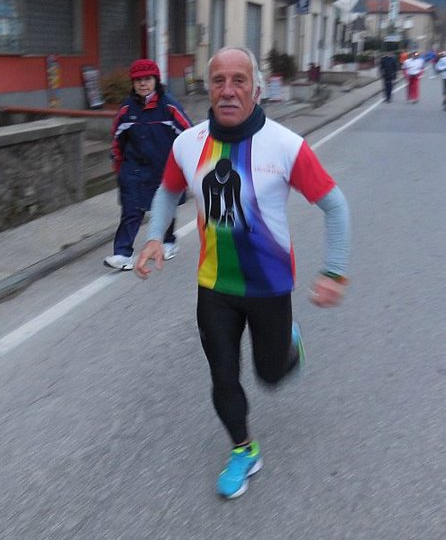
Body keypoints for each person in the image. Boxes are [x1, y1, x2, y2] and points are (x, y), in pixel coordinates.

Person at [134, 47, 351, 499]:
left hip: (269, 287)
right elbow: (168, 191)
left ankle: (289, 344)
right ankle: (243, 450)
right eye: (219, 80)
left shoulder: (285, 146)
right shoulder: (187, 144)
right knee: (223, 376)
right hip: (215, 285)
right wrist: (155, 236)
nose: (228, 90)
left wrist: (334, 271)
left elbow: (336, 206)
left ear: (256, 88)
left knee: (270, 376)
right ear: (208, 87)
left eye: (239, 80)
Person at [103, 58, 192, 270]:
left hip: (164, 167)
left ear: (155, 80)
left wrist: (185, 167)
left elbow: (188, 135)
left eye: (147, 79)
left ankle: (168, 242)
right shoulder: (127, 109)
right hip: (134, 169)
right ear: (133, 84)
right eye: (138, 80)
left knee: (165, 206)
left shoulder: (169, 107)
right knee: (131, 210)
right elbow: (117, 139)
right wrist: (119, 166)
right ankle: (122, 254)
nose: (143, 84)